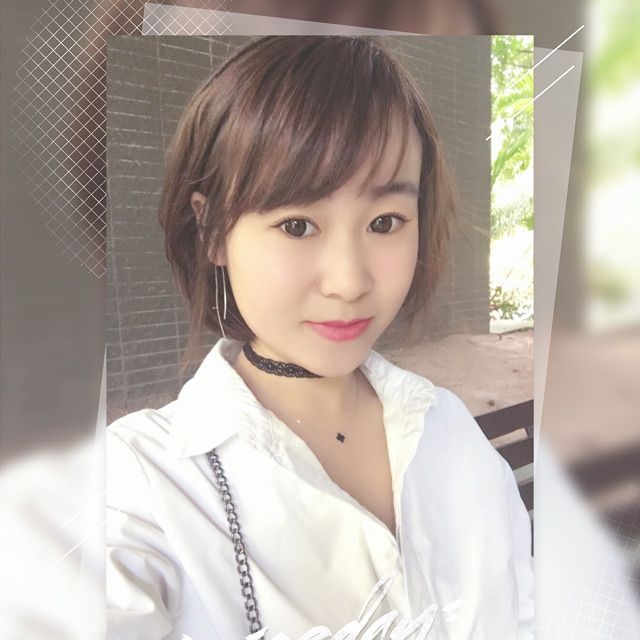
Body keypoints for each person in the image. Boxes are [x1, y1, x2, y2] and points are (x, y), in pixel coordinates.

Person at [107, 36, 533, 639]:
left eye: (385, 222)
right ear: (213, 231)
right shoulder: (137, 486)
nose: (349, 281)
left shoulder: (448, 428)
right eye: (297, 225)